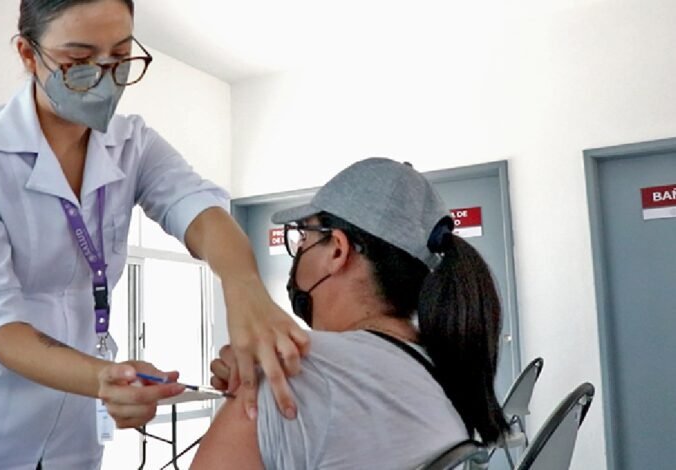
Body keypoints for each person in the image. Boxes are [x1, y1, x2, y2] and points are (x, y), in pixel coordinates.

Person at [0, 1, 308, 468]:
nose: (104, 78)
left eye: (119, 58)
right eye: (78, 62)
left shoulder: (133, 144)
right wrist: (106, 378)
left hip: (71, 438)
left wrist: (244, 287)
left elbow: (198, 208)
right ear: (28, 55)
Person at [191, 157, 509, 469]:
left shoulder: (290, 378)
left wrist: (260, 382)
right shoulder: (440, 373)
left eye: (304, 237)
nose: (299, 250)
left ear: (337, 250)